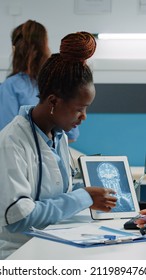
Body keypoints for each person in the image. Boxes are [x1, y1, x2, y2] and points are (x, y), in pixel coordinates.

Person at [0, 31, 117, 259]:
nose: (84, 117)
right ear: (53, 101)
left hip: (55, 243)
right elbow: (18, 217)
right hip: (19, 254)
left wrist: (87, 195)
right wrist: (83, 197)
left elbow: (55, 197)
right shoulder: (11, 142)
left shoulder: (57, 136)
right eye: (79, 109)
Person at [0, 19, 79, 142]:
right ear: (45, 46)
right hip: (50, 155)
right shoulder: (58, 83)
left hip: (22, 156)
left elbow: (6, 133)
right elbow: (71, 135)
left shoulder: (11, 86)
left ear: (15, 49)